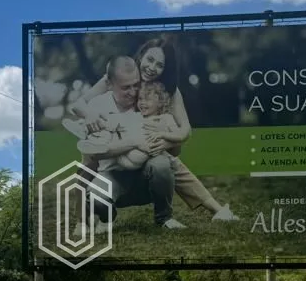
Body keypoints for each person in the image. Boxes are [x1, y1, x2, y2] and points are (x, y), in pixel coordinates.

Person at [67, 81, 235, 220]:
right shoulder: (134, 116)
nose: (142, 103)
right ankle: (87, 131)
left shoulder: (165, 119)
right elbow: (115, 125)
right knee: (110, 135)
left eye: (147, 99)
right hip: (120, 164)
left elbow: (177, 144)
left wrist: (163, 137)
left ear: (160, 102)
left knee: (166, 162)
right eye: (140, 99)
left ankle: (169, 216)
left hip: (145, 163)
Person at [71, 56, 183, 229]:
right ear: (109, 84)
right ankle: (106, 216)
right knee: (95, 198)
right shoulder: (96, 107)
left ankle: (164, 218)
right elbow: (95, 154)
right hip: (112, 175)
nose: (133, 92)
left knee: (161, 164)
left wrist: (166, 136)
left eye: (135, 85)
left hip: (145, 177)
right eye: (125, 88)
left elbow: (175, 150)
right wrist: (134, 142)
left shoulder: (144, 101)